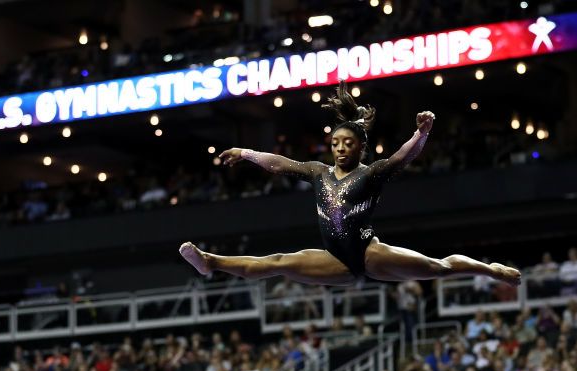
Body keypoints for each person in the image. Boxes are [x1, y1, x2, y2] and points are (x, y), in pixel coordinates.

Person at [180, 82, 521, 288]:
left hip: (370, 254)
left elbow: (403, 157)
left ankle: (489, 269)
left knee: (438, 267)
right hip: (334, 260)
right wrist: (247, 152)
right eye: (335, 143)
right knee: (279, 261)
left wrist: (422, 133)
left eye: (347, 144)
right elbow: (281, 164)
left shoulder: (370, 174)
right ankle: (210, 261)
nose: (340, 148)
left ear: (360, 147)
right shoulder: (318, 172)